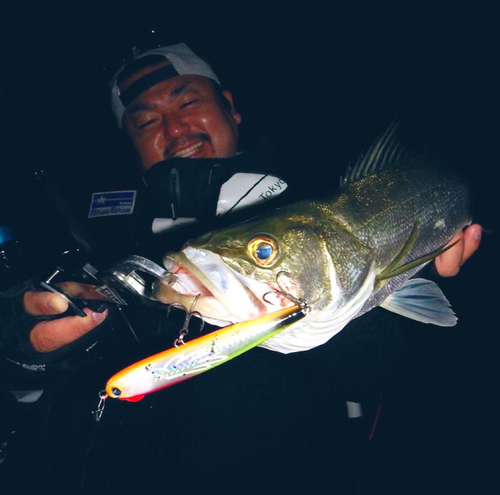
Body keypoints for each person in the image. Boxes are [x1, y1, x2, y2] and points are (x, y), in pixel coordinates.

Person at [0, 42, 482, 494]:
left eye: (186, 101)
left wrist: (370, 305)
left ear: (230, 105)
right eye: (144, 121)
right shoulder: (102, 244)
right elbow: (38, 400)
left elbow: (387, 382)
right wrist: (22, 347)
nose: (172, 128)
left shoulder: (309, 194)